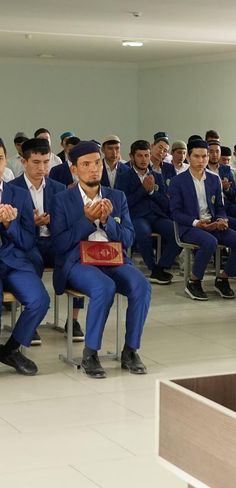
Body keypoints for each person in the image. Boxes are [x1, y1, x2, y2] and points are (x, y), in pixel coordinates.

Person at [50, 141, 151, 378]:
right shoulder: (62, 199)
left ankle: (130, 350)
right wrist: (87, 221)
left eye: (97, 163)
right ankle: (90, 353)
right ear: (74, 169)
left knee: (142, 285)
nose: (93, 169)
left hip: (113, 258)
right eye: (86, 164)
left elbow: (128, 238)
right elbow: (60, 244)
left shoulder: (117, 196)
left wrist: (107, 222)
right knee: (103, 286)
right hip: (79, 261)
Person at [11, 138, 84, 342]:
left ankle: (73, 319)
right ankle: (31, 320)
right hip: (27, 243)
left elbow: (68, 223)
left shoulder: (58, 188)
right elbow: (9, 228)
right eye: (36, 162)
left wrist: (53, 221)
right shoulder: (12, 188)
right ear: (24, 162)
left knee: (76, 258)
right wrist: (31, 223)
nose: (42, 168)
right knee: (32, 261)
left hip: (53, 241)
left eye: (45, 162)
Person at [169, 139, 236, 301]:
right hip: (189, 226)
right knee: (210, 242)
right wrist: (196, 223)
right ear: (188, 157)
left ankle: (223, 278)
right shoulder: (178, 181)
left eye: (204, 156)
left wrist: (222, 219)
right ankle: (194, 281)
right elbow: (175, 213)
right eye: (196, 156)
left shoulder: (214, 179)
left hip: (212, 223)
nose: (201, 160)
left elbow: (220, 207)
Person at [0, 139, 50, 376]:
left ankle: (10, 349)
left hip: (13, 260)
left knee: (40, 300)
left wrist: (9, 225)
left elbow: (29, 241)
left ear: (5, 161)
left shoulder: (18, 194)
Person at [120, 140, 180, 284]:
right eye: (139, 156)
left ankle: (160, 267)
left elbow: (166, 203)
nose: (143, 159)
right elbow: (124, 203)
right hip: (137, 217)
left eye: (146, 155)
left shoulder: (157, 176)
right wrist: (143, 190)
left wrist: (152, 191)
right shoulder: (124, 176)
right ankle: (153, 267)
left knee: (178, 233)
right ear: (132, 157)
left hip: (157, 216)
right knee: (143, 233)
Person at [207, 140, 236, 219]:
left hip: (228, 205)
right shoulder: (203, 169)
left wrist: (227, 188)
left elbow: (234, 195)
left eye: (217, 151)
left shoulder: (226, 169)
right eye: (211, 151)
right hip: (212, 207)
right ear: (206, 153)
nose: (214, 154)